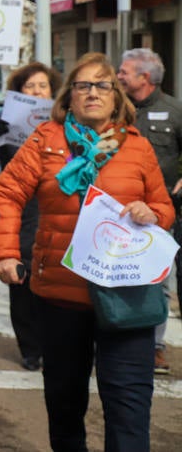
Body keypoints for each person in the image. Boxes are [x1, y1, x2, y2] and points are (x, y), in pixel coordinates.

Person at [0, 52, 174, 452]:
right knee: (65, 402)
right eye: (83, 85)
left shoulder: (138, 147)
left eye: (102, 84)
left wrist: (151, 212)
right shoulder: (45, 141)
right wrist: (4, 252)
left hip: (128, 297)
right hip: (59, 294)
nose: (92, 92)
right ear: (69, 96)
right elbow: (4, 194)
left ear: (117, 95)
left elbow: (164, 209)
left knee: (129, 406)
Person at [0, 62, 61, 372]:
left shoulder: (65, 125)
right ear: (19, 93)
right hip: (18, 215)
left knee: (56, 287)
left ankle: (56, 344)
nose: (36, 92)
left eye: (42, 86)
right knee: (22, 285)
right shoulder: (4, 124)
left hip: (55, 214)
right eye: (29, 87)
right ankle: (30, 348)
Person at [117, 48, 182, 375]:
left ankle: (154, 347)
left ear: (144, 77)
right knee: (114, 276)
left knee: (158, 280)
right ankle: (112, 336)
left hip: (159, 213)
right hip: (116, 212)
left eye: (124, 71)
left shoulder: (174, 111)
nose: (118, 76)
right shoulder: (116, 109)